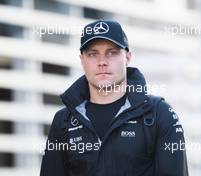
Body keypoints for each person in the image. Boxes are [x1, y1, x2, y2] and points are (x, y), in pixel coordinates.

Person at [40, 19, 188, 176]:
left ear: (127, 57)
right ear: (82, 60)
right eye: (92, 54)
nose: (102, 62)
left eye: (112, 53)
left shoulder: (159, 114)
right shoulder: (63, 121)